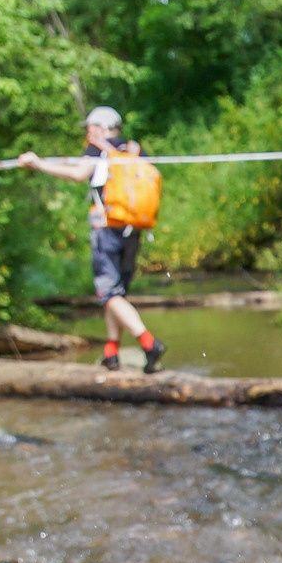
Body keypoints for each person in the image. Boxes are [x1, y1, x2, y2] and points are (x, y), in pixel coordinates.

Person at [17, 107, 166, 372]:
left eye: (90, 126)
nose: (87, 132)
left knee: (108, 294)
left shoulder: (97, 149)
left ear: (103, 126)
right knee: (117, 295)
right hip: (134, 228)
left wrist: (37, 163)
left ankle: (149, 343)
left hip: (106, 228)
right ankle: (112, 353)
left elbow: (78, 174)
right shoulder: (134, 149)